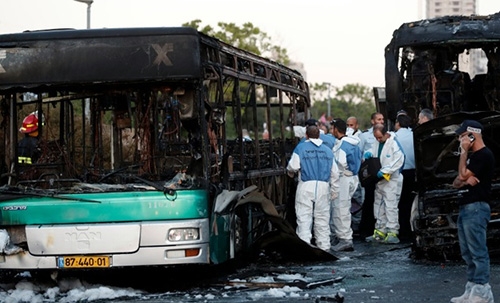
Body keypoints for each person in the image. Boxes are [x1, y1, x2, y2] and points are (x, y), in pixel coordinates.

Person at [451, 120, 494, 303]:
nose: (460, 139)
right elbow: (456, 182)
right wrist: (464, 179)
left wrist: (463, 152)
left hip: (476, 207)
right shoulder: (473, 157)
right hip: (467, 206)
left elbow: (461, 175)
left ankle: (483, 292)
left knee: (477, 251)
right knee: (467, 252)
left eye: (462, 136)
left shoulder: (483, 155)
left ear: (471, 135)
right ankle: (472, 288)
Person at [287, 125, 340, 252]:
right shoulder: (328, 150)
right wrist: (334, 191)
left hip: (306, 185)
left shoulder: (301, 148)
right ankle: (324, 247)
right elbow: (335, 173)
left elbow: (292, 167)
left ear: (306, 135)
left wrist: (290, 173)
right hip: (323, 186)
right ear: (319, 135)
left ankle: (304, 249)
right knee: (322, 219)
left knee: (304, 218)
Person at [364, 123, 405, 244]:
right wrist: (369, 153)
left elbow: (399, 159)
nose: (378, 139)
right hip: (380, 181)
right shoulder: (378, 142)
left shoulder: (393, 143)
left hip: (391, 180)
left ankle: (392, 231)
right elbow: (374, 151)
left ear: (386, 134)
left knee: (390, 206)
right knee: (378, 205)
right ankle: (380, 231)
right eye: (376, 137)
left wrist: (385, 171)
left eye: (380, 137)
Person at [330, 119, 362, 252]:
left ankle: (345, 239)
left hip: (344, 178)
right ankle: (344, 236)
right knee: (345, 208)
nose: (331, 131)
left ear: (336, 129)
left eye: (333, 128)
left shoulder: (342, 145)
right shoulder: (353, 143)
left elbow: (339, 163)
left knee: (340, 209)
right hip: (353, 177)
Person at [358, 112, 384, 238]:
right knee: (369, 199)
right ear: (373, 121)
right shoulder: (365, 136)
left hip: (382, 172)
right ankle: (366, 228)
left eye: (382, 119)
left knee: (381, 201)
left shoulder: (386, 134)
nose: (381, 121)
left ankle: (379, 227)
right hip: (370, 172)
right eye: (379, 119)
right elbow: (359, 151)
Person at [394, 114, 416, 240]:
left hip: (400, 173)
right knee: (411, 202)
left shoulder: (395, 136)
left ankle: (403, 231)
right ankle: (411, 230)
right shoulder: (414, 134)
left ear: (398, 123)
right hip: (413, 172)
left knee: (400, 203)